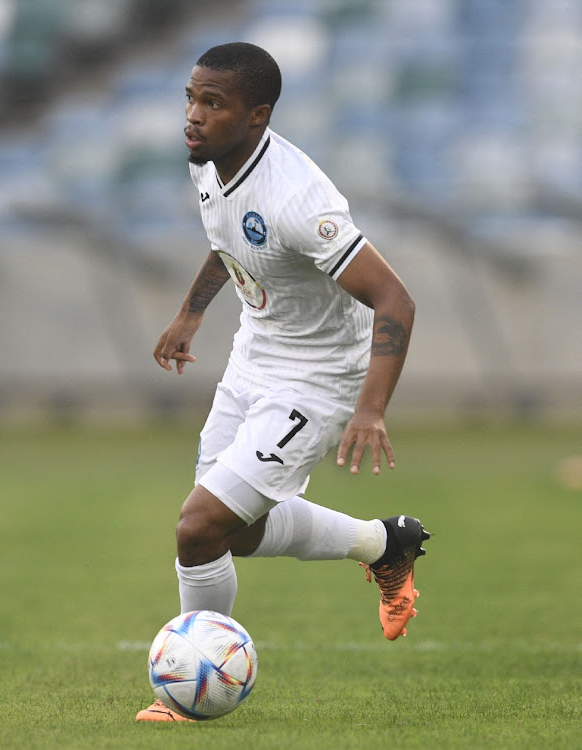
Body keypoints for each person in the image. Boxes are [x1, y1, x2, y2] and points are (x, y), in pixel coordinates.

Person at [136, 42, 429, 723]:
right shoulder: (211, 162)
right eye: (190, 98)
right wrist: (190, 314)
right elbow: (228, 239)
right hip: (254, 357)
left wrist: (369, 409)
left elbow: (395, 301)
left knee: (197, 527)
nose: (193, 115)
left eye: (213, 104)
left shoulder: (299, 199)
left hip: (317, 378)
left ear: (257, 115)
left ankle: (192, 693)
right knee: (229, 535)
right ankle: (387, 544)